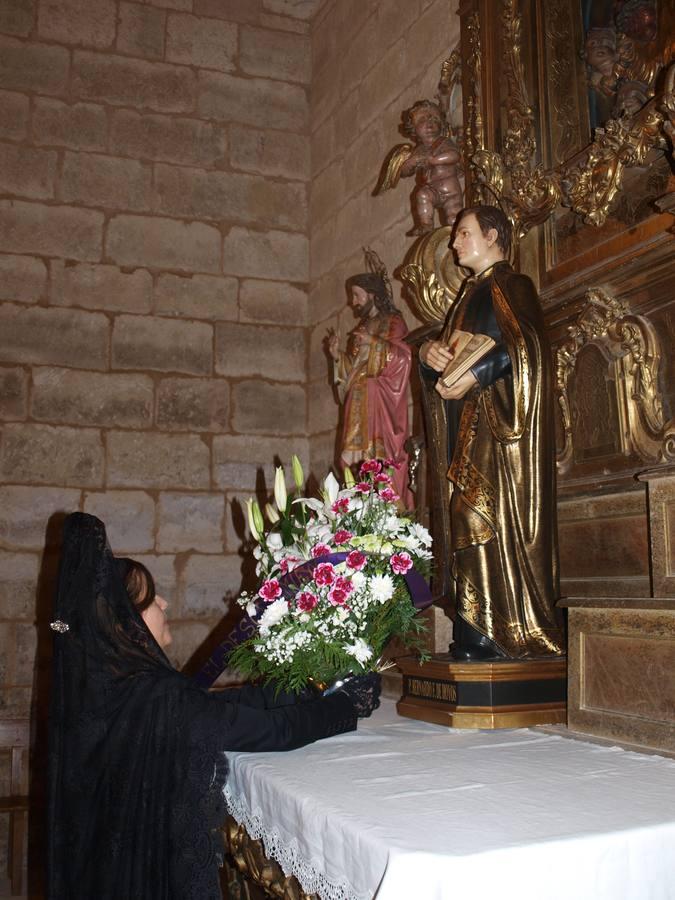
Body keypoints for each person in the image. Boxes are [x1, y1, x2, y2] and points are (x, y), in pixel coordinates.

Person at [47, 512, 380, 899]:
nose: (164, 602)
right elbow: (274, 732)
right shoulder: (156, 695)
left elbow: (212, 705)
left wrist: (301, 690)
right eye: (151, 599)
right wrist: (345, 705)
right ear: (127, 624)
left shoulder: (119, 686)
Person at [419, 205, 564, 661]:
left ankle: (497, 629)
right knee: (463, 517)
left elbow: (528, 351)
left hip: (499, 430)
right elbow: (448, 359)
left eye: (463, 233)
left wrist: (479, 373)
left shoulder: (512, 285)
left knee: (477, 518)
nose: (454, 243)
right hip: (467, 424)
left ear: (494, 235)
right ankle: (473, 629)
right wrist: (430, 356)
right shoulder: (467, 295)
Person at [327, 271, 413, 506]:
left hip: (382, 407)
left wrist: (373, 343)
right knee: (355, 463)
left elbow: (404, 359)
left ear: (372, 294)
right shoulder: (362, 328)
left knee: (382, 460)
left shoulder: (393, 322)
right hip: (358, 406)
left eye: (357, 295)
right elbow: (354, 372)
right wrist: (337, 358)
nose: (353, 302)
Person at [375, 99, 463, 236]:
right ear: (413, 128)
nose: (430, 125)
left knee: (454, 217)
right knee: (422, 195)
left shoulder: (443, 142)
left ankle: (459, 234)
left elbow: (455, 155)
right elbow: (404, 172)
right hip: (431, 188)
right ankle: (426, 225)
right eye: (423, 121)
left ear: (441, 124)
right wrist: (410, 163)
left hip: (450, 188)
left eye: (435, 120)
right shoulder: (419, 150)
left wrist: (434, 160)